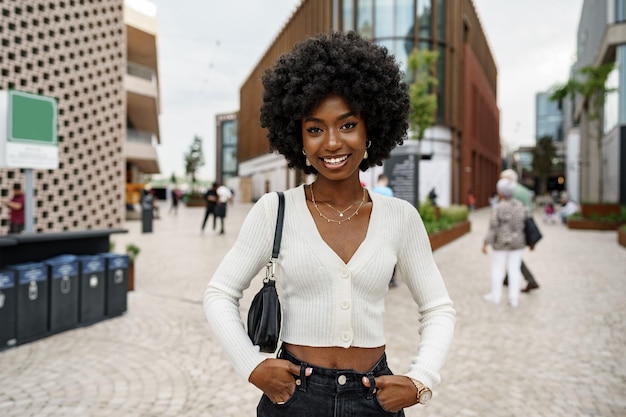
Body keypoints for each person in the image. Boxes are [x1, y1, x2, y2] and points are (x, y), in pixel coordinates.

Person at [203, 31, 455, 416]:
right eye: (315, 129)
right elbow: (220, 293)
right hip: (294, 398)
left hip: (373, 400)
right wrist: (252, 366)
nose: (333, 143)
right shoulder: (275, 210)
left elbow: (438, 307)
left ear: (371, 129)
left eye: (348, 125)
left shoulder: (400, 217)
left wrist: (422, 381)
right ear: (299, 139)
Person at [482, 178, 527, 308]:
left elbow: (493, 228)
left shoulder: (497, 207)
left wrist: (486, 243)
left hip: (501, 243)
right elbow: (524, 225)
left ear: (500, 192)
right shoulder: (520, 206)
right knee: (514, 269)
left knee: (498, 269)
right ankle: (514, 299)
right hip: (518, 243)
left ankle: (496, 296)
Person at [499, 169, 539, 292]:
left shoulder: (510, 192)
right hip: (524, 229)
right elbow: (530, 213)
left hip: (514, 231)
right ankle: (507, 279)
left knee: (513, 256)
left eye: (502, 179)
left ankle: (530, 280)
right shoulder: (524, 191)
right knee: (513, 255)